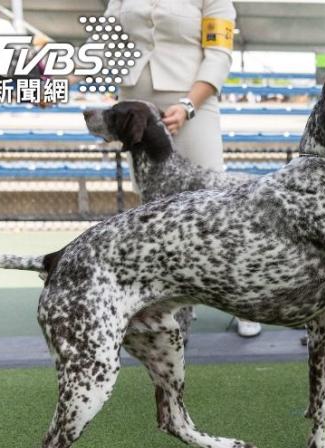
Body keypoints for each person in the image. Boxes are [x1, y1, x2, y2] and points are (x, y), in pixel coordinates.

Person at [106, 0, 262, 338]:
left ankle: (242, 303)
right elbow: (107, 38)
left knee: (216, 212)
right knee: (153, 217)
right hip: (135, 103)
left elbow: (219, 53)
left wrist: (189, 104)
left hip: (193, 103)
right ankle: (163, 306)